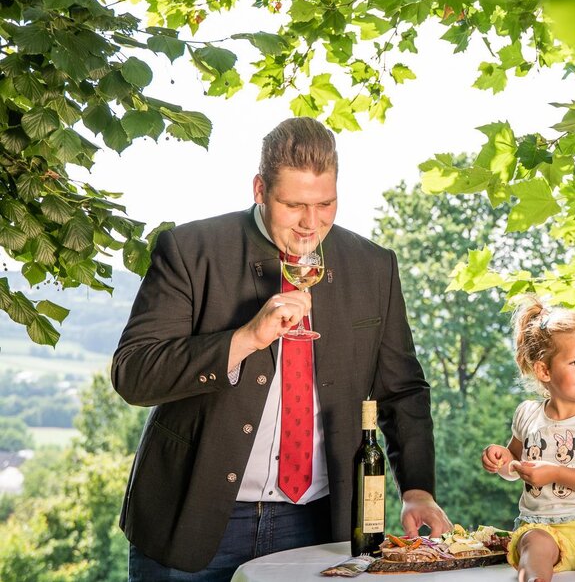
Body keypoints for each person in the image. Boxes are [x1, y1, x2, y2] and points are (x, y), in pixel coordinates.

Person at [112, 116, 451, 580]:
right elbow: (134, 374)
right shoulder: (191, 250)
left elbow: (402, 391)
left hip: (317, 523)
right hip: (195, 512)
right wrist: (246, 338)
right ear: (259, 190)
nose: (312, 224)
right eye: (294, 205)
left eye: (326, 203)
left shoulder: (373, 267)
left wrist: (417, 490)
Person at [480, 296, 575, 582]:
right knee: (533, 546)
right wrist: (501, 458)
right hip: (543, 528)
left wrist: (555, 473)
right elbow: (514, 464)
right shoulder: (527, 414)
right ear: (544, 370)